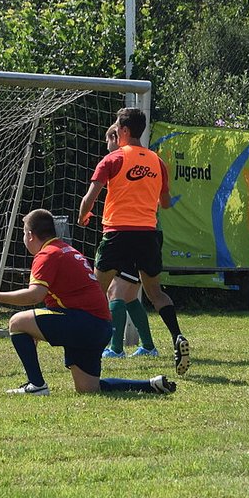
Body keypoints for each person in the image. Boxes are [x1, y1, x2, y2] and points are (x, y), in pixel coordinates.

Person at [0, 209, 175, 396]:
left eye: (23, 234)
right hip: (99, 325)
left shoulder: (47, 254)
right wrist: (34, 328)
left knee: (17, 322)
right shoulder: (66, 250)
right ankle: (150, 384)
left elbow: (35, 295)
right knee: (88, 388)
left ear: (30, 235)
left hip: (84, 322)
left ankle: (36, 385)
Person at [77, 106, 191, 375]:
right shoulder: (157, 162)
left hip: (117, 233)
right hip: (148, 236)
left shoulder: (112, 160)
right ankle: (177, 335)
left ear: (125, 131)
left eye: (117, 127)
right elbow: (165, 203)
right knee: (155, 293)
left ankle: (89, 345)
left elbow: (89, 198)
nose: (116, 130)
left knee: (96, 291)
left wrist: (83, 216)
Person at [94, 123, 160, 360]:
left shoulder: (122, 160)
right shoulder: (139, 162)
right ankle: (149, 347)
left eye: (108, 141)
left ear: (117, 137)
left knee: (115, 292)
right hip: (143, 236)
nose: (107, 147)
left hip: (129, 236)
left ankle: (116, 348)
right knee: (129, 295)